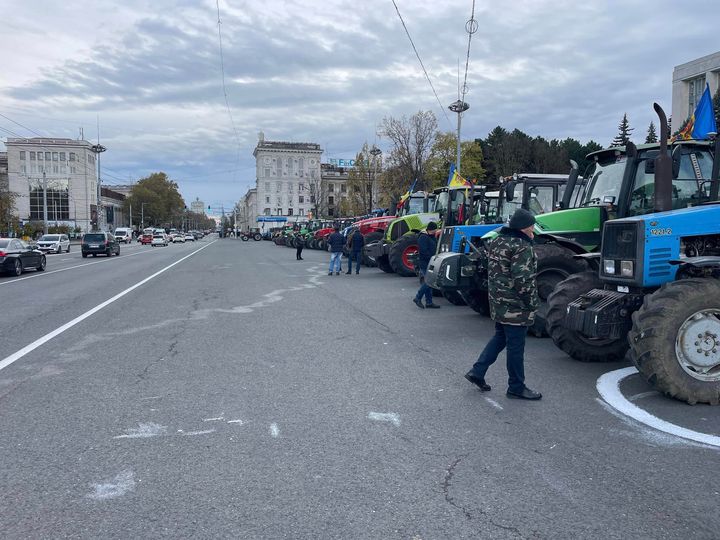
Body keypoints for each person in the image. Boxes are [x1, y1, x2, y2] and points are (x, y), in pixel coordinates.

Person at [464, 208, 542, 400]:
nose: (534, 229)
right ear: (525, 227)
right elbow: (522, 279)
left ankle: (477, 371)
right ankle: (516, 386)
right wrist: (532, 303)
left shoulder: (498, 240)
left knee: (500, 338)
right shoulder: (522, 246)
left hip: (499, 301)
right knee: (515, 347)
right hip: (516, 305)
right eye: (532, 225)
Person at [413, 222, 440, 309]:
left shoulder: (430, 236)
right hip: (426, 262)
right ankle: (418, 297)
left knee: (429, 282)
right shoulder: (423, 237)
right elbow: (423, 251)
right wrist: (432, 258)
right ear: (430, 230)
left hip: (430, 262)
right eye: (434, 230)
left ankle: (429, 302)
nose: (435, 232)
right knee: (429, 282)